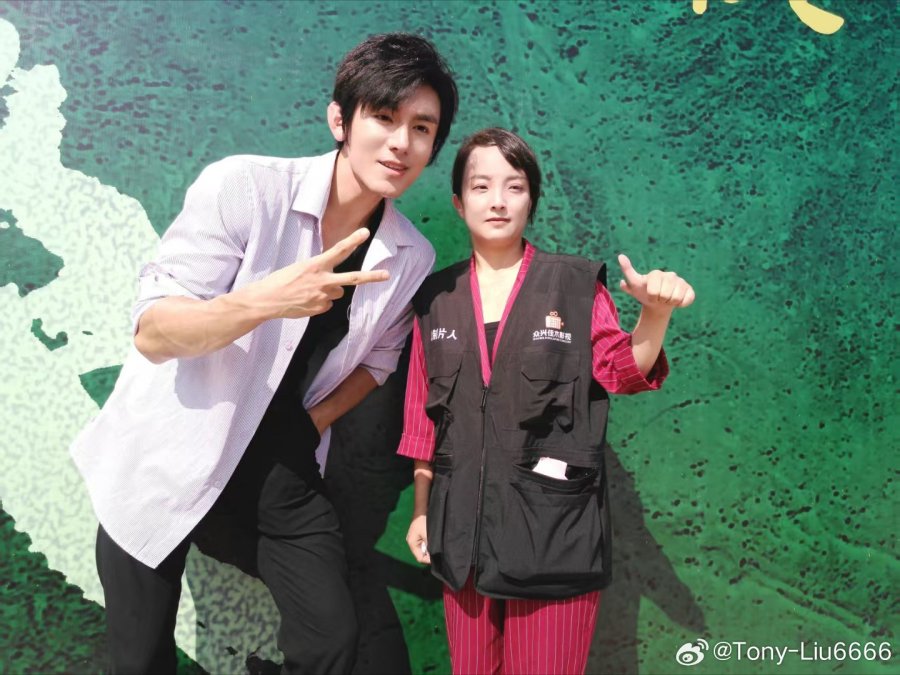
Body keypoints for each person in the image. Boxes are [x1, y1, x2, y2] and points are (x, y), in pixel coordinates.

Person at [70, 33, 458, 674]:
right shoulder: (246, 188)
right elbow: (154, 332)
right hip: (171, 446)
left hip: (281, 461)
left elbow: (381, 359)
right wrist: (263, 301)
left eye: (422, 128)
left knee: (333, 639)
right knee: (139, 659)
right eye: (384, 117)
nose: (401, 142)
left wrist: (313, 423)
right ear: (340, 120)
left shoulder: (410, 253)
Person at [398, 128, 695, 674]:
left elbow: (623, 371)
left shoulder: (574, 285)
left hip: (553, 536)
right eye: (481, 186)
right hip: (461, 540)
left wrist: (655, 314)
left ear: (531, 199)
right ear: (459, 202)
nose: (497, 200)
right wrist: (421, 510)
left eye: (514, 187)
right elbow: (424, 419)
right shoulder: (435, 299)